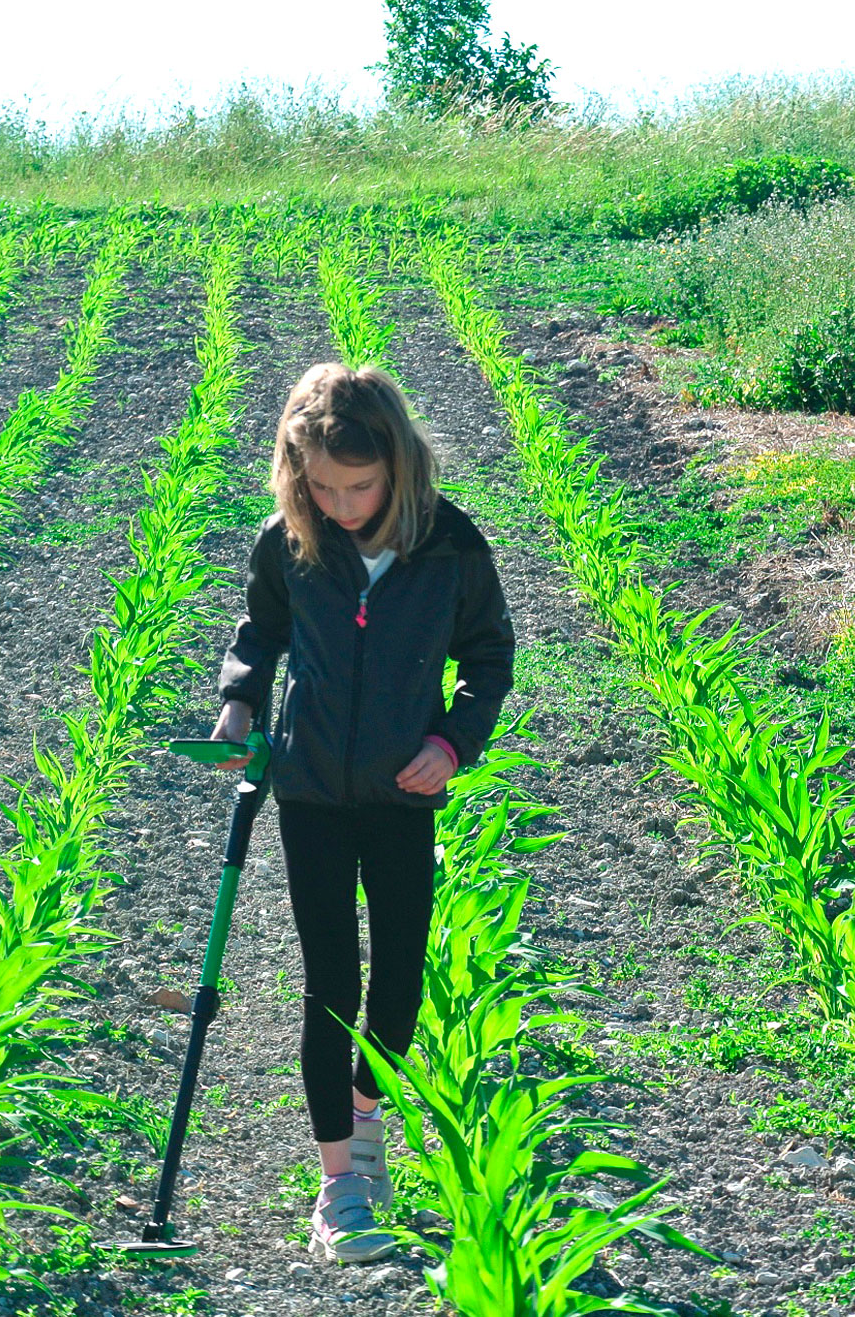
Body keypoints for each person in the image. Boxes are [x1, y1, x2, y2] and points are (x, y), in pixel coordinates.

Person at [211, 362, 515, 1264]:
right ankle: (340, 1179)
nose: (341, 504)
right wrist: (239, 699)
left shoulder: (450, 548)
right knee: (329, 984)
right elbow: (259, 629)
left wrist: (454, 743)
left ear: (399, 465)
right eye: (322, 485)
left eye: (361, 485)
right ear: (296, 470)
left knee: (399, 987)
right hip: (307, 789)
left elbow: (489, 658)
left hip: (400, 792)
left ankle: (366, 1115)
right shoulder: (290, 538)